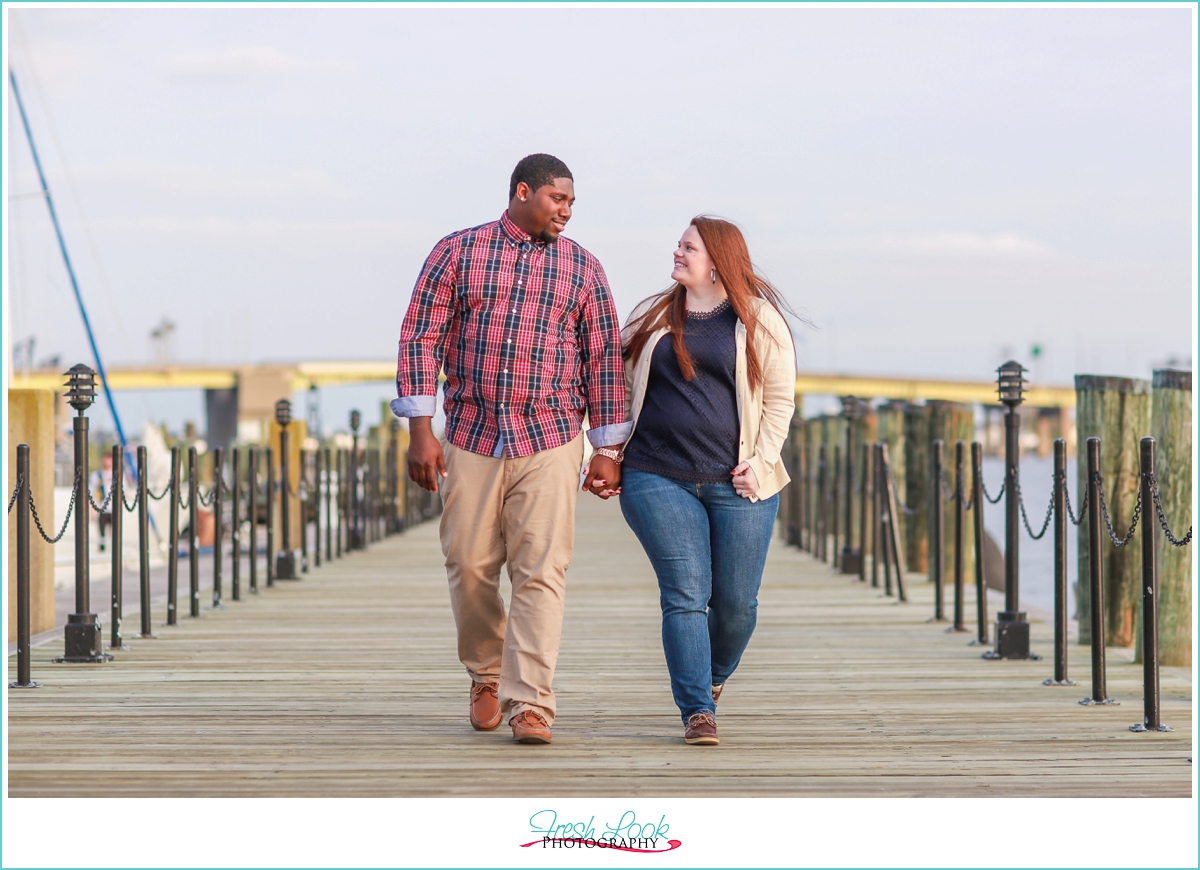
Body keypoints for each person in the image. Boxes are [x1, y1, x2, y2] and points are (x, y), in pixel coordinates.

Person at [392, 154, 631, 745]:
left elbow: (602, 356)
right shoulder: (458, 252)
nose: (567, 211)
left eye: (572, 202)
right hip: (472, 434)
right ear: (523, 193)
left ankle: (532, 703)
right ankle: (486, 674)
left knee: (541, 571)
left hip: (552, 437)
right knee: (469, 563)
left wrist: (607, 447)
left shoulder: (583, 268)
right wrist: (421, 428)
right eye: (557, 199)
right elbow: (421, 334)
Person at [597, 216, 796, 746]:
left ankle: (712, 676)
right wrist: (606, 449)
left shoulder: (760, 321)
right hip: (656, 474)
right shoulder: (652, 315)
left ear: (718, 260)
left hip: (740, 484)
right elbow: (606, 378)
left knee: (736, 605)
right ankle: (697, 710)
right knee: (685, 593)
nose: (678, 252)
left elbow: (779, 401)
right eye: (680, 244)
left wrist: (761, 459)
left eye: (689, 247)